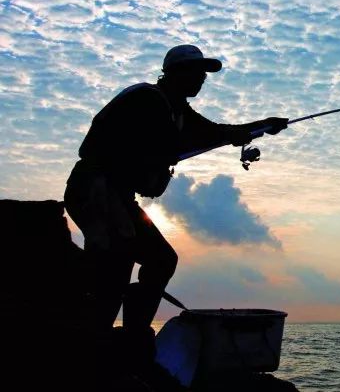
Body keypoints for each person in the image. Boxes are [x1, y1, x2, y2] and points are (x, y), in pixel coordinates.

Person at [64, 44, 288, 340]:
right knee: (117, 263)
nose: (201, 80)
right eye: (196, 73)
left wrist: (263, 126)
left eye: (203, 76)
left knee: (160, 260)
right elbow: (177, 141)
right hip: (96, 189)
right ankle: (96, 340)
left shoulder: (176, 108)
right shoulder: (146, 98)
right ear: (174, 73)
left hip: (118, 196)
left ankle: (133, 334)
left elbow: (213, 131)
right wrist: (231, 136)